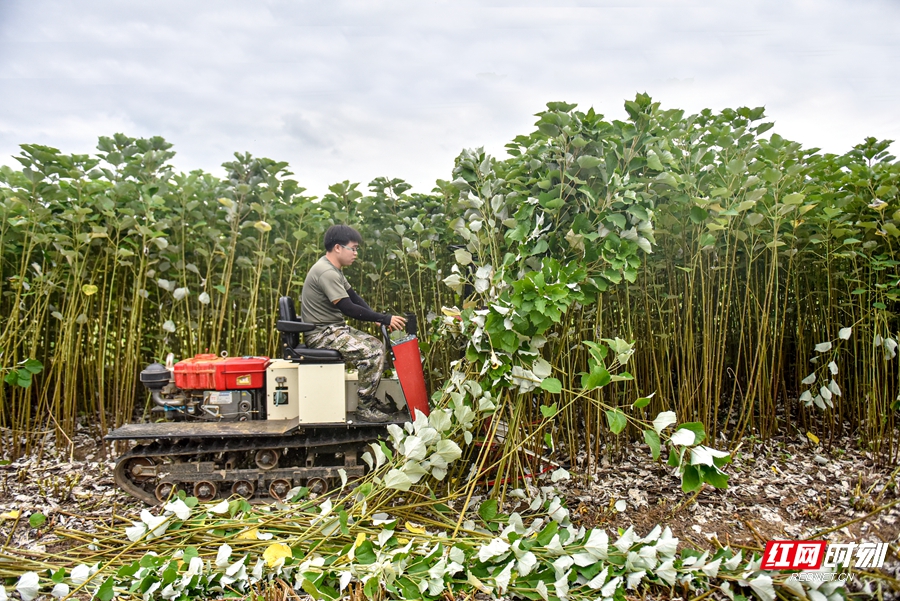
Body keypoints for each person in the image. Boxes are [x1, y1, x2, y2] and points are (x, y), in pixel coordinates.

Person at [300, 225, 406, 423]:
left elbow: (353, 296)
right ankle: (365, 409)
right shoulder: (326, 272)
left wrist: (376, 316)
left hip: (332, 330)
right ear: (338, 248)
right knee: (372, 351)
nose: (356, 253)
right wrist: (385, 318)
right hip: (321, 334)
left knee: (374, 344)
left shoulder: (332, 269)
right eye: (353, 248)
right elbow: (347, 307)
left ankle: (369, 401)